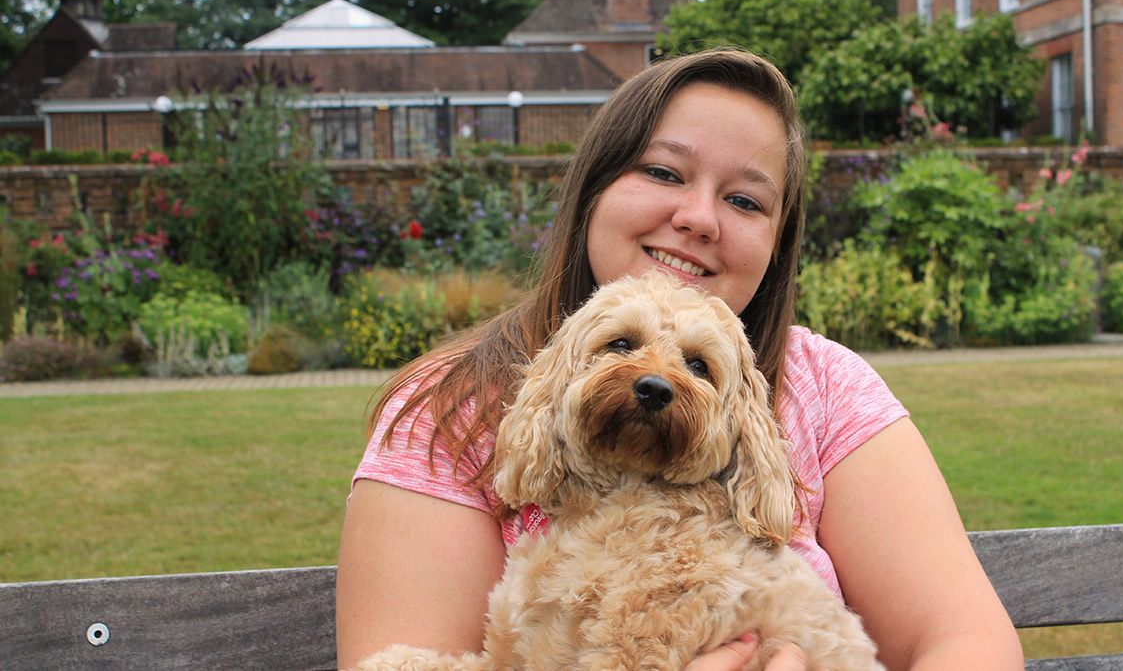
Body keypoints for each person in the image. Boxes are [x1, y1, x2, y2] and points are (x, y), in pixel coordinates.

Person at [336, 49, 1024, 670]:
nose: (699, 218)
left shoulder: (827, 386)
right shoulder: (451, 408)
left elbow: (967, 640)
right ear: (594, 187)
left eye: (744, 200)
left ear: (777, 243)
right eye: (664, 172)